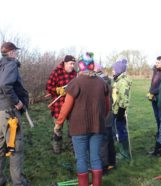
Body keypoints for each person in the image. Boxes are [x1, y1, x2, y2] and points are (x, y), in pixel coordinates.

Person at [54, 52, 109, 186]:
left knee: (82, 159)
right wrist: (100, 118)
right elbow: (107, 107)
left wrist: (58, 124)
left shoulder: (75, 83)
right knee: (95, 157)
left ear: (80, 66)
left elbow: (66, 107)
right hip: (98, 126)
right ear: (92, 66)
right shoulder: (102, 83)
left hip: (78, 127)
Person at [0, 41, 30, 186]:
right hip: (9, 113)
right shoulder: (11, 64)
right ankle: (19, 183)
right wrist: (17, 102)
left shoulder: (0, 66)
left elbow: (3, 84)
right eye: (15, 51)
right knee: (15, 147)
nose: (16, 54)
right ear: (11, 52)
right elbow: (5, 85)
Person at [46, 55, 77, 154]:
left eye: (73, 64)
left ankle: (74, 149)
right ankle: (57, 148)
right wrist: (58, 90)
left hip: (72, 106)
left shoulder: (75, 74)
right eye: (70, 64)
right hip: (58, 106)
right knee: (58, 128)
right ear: (65, 63)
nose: (72, 66)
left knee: (73, 129)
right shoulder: (56, 72)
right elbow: (48, 87)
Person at [94, 63, 116, 173]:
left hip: (104, 115)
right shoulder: (106, 80)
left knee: (103, 141)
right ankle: (112, 162)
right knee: (109, 139)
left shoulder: (101, 82)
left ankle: (104, 166)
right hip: (108, 114)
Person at [111, 59, 132, 160]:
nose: (112, 71)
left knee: (121, 131)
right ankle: (123, 151)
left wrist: (120, 112)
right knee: (119, 131)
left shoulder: (122, 82)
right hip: (116, 110)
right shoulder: (118, 80)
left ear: (118, 70)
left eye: (114, 69)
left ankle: (125, 154)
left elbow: (124, 99)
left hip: (120, 111)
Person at [147, 56, 161, 138]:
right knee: (157, 116)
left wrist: (152, 91)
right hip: (154, 98)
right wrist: (149, 91)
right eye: (156, 62)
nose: (156, 64)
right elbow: (153, 83)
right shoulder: (155, 71)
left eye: (158, 63)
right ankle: (159, 131)